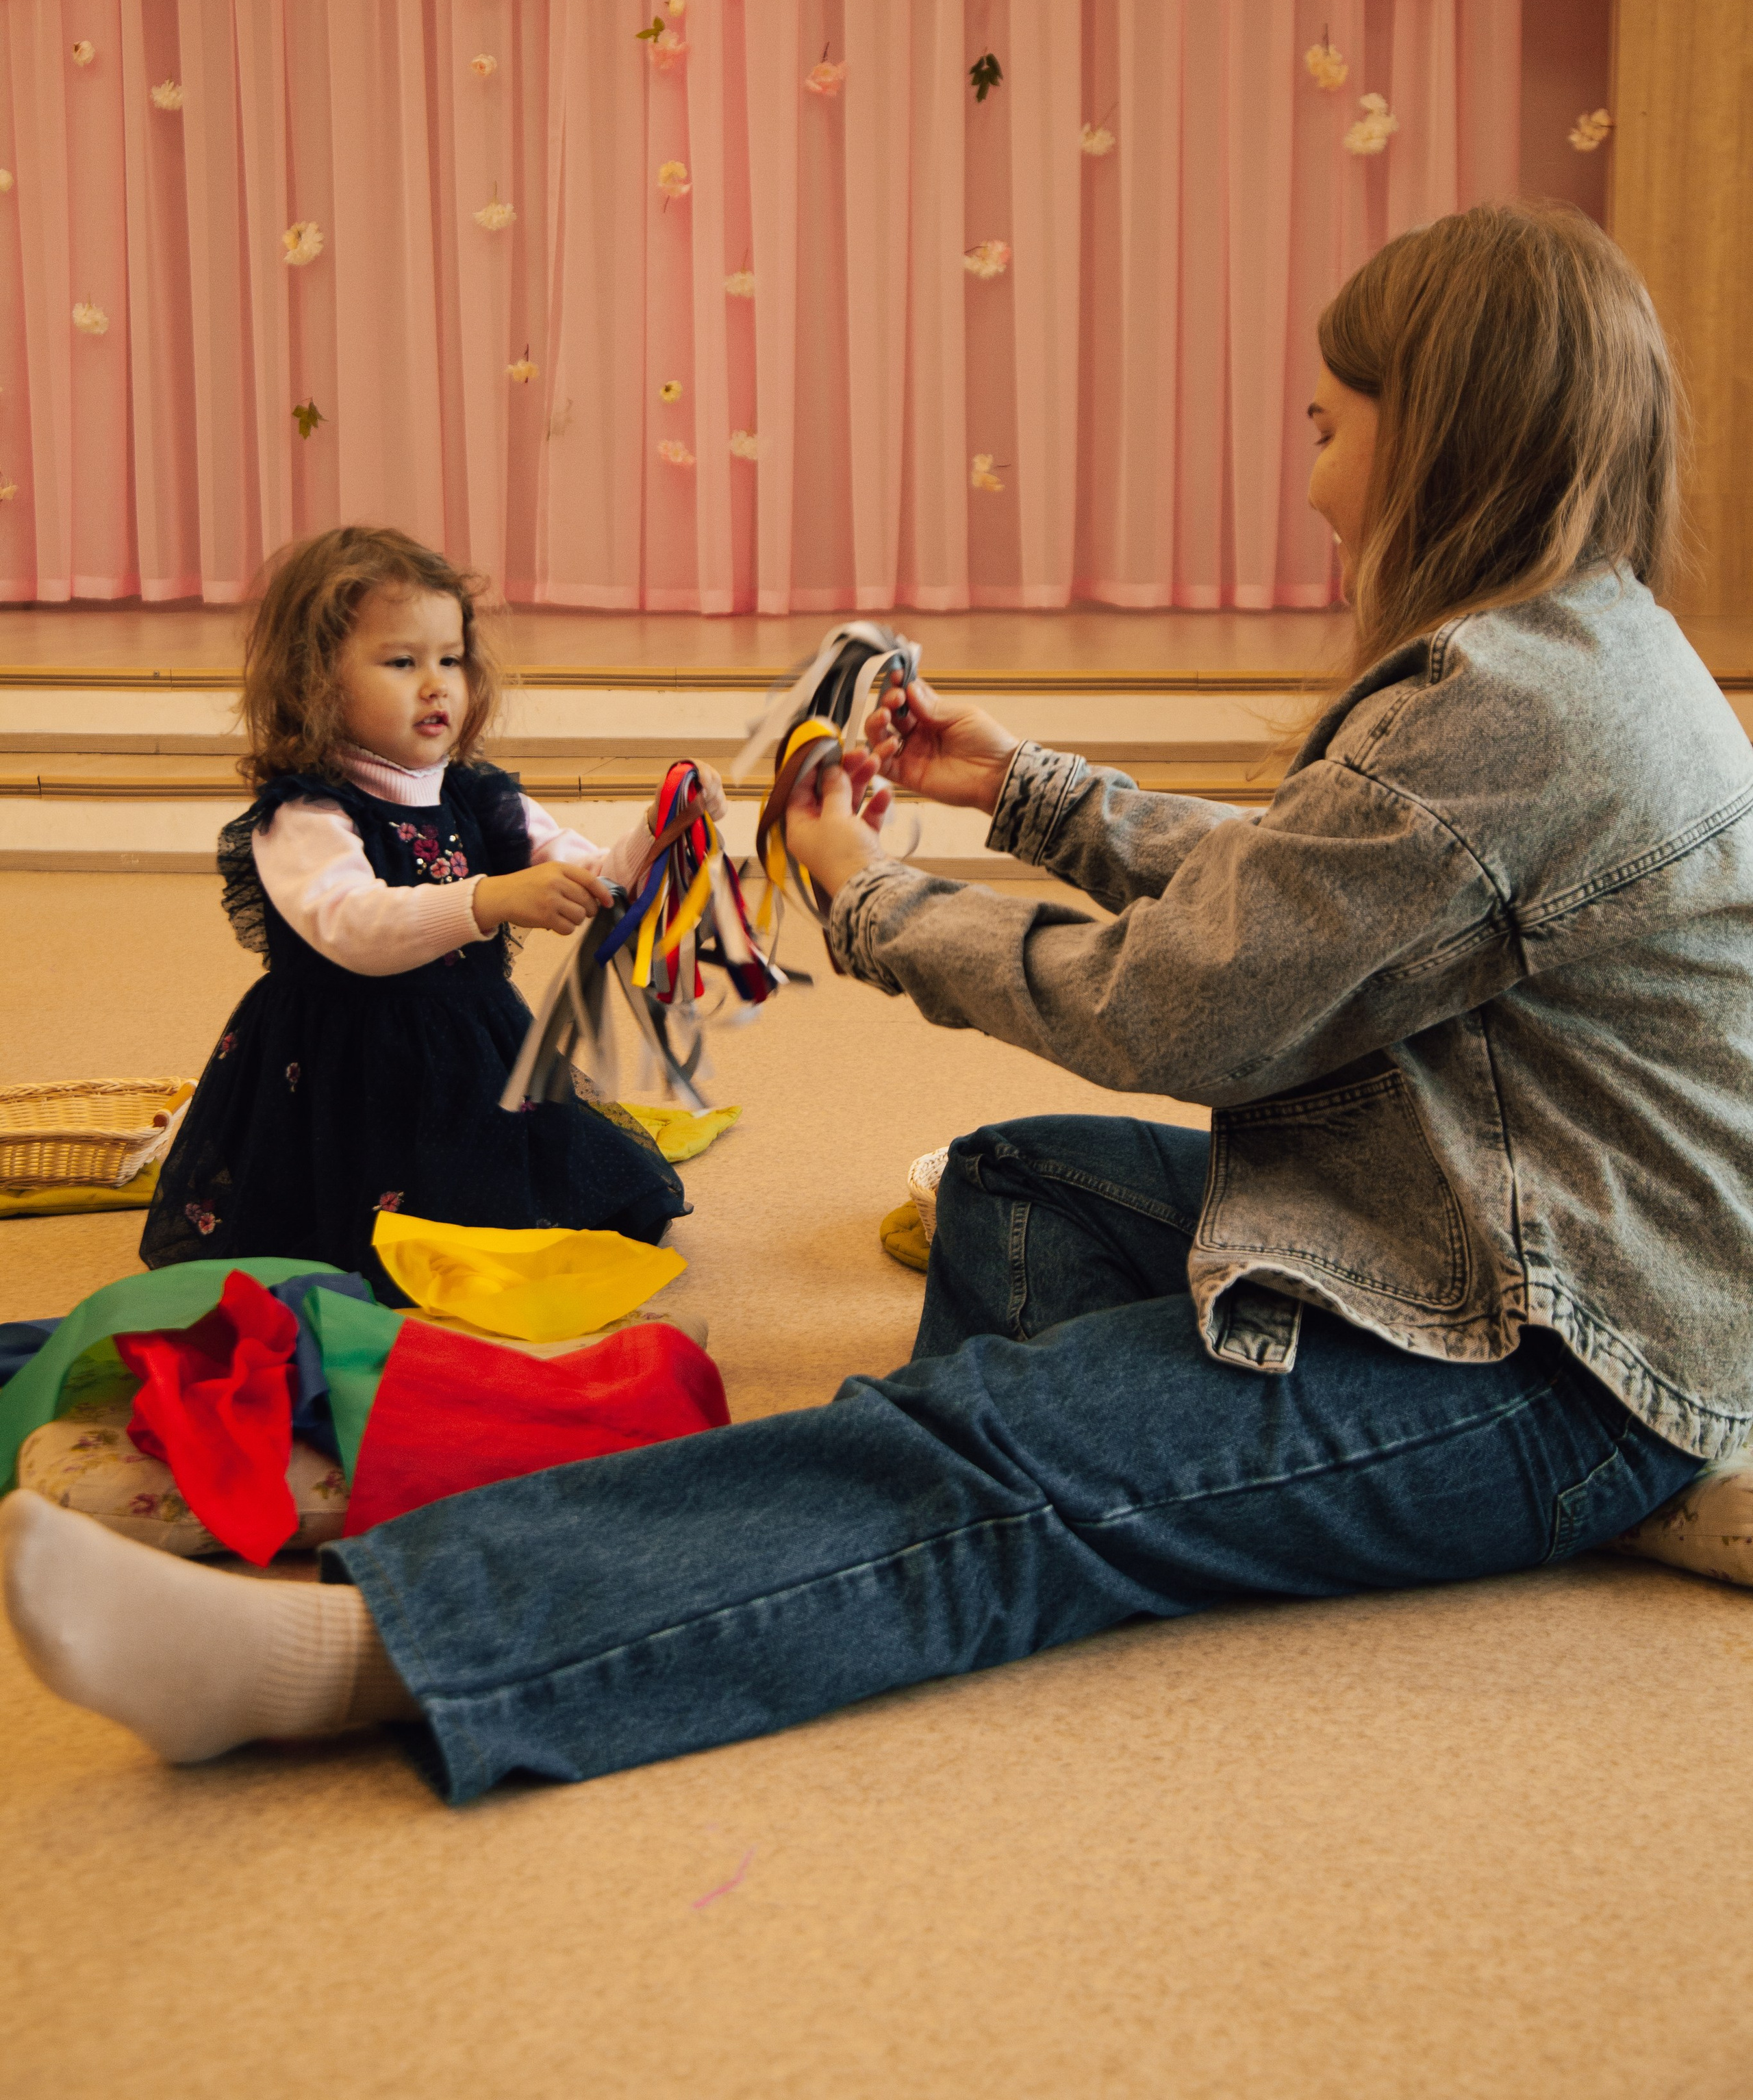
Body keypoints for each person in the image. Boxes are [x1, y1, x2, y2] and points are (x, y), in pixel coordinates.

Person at [7, 203, 1750, 1804]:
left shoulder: (1505, 710)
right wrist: (1025, 789)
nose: (1308, 480)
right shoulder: (1561, 654)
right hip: (1460, 1233)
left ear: (1438, 433)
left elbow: (1190, 1008)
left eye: (1325, 426)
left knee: (986, 1457)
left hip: (1541, 1352)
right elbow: (1323, 885)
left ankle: (365, 1644)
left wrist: (873, 897)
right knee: (1015, 1182)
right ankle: (956, 1524)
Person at [138, 525, 724, 1284]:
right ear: (316, 679)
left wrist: (659, 827)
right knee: (363, 1241)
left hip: (468, 1046)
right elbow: (352, 926)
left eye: (450, 660)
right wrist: (487, 899)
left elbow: (591, 875)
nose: (436, 683)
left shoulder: (476, 795)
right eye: (400, 661)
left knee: (537, 1200)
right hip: (345, 1070)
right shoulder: (306, 814)